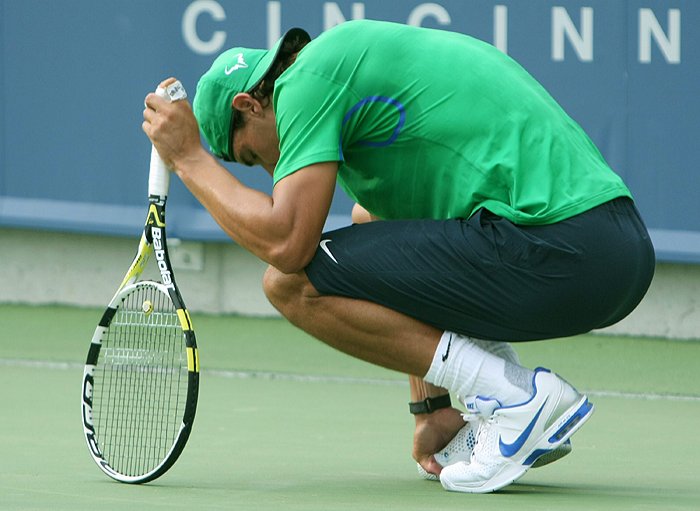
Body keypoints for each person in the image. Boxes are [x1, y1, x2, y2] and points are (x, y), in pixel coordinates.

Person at [142, 19, 655, 493]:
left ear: (248, 106)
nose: (269, 168)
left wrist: (189, 158)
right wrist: (429, 407)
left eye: (253, 155)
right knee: (368, 219)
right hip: (614, 255)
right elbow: (390, 240)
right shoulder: (357, 87)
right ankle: (509, 397)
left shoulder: (306, 81)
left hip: (560, 243)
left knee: (289, 282)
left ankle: (518, 400)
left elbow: (287, 243)